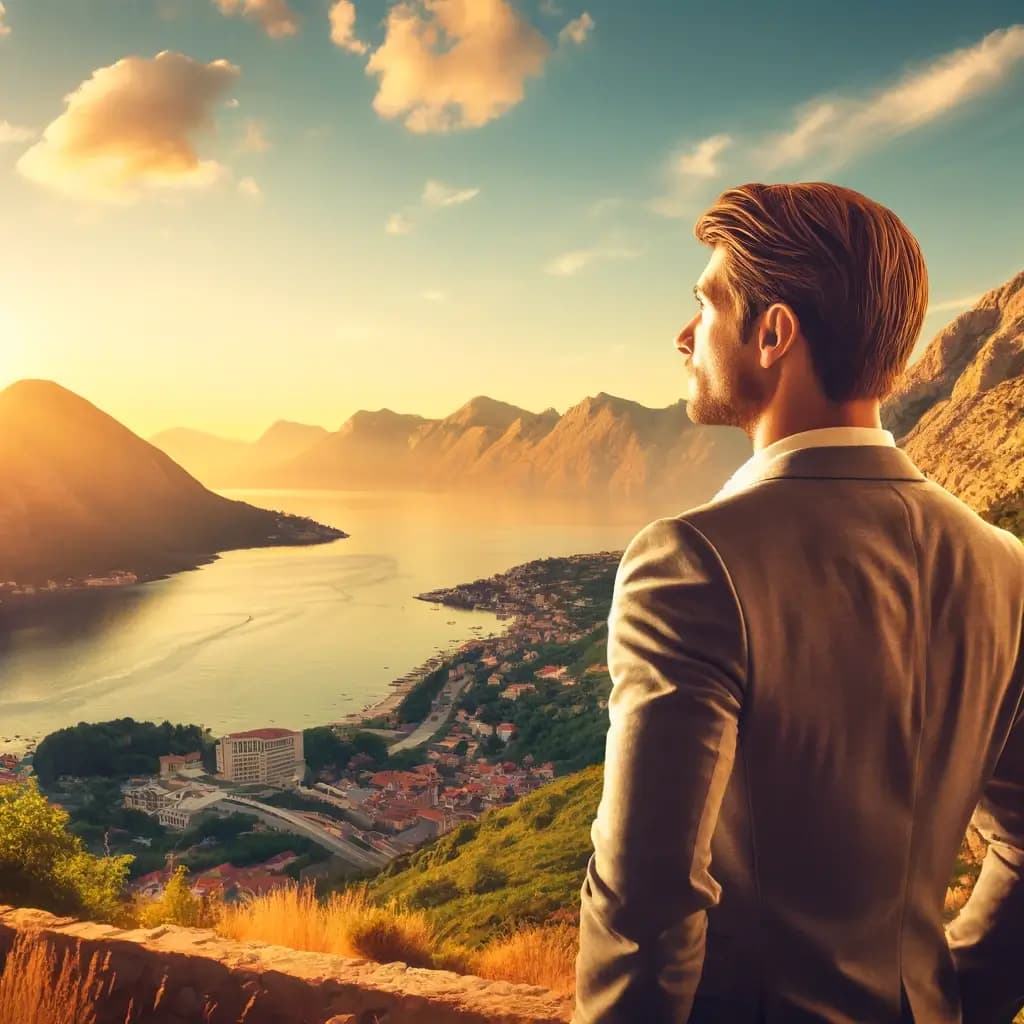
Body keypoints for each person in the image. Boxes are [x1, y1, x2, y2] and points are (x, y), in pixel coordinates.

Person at [572, 182, 1024, 1024]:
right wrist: (949, 997)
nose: (683, 335)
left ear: (773, 333)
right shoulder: (1007, 565)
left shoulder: (690, 563)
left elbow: (647, 900)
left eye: (704, 304)